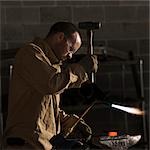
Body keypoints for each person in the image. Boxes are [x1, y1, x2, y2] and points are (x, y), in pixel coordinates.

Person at [3, 22, 98, 149]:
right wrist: (81, 69)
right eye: (70, 49)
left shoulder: (52, 66)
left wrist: (71, 122)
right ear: (60, 37)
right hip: (25, 143)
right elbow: (51, 85)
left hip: (42, 144)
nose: (70, 56)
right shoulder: (30, 53)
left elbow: (47, 111)